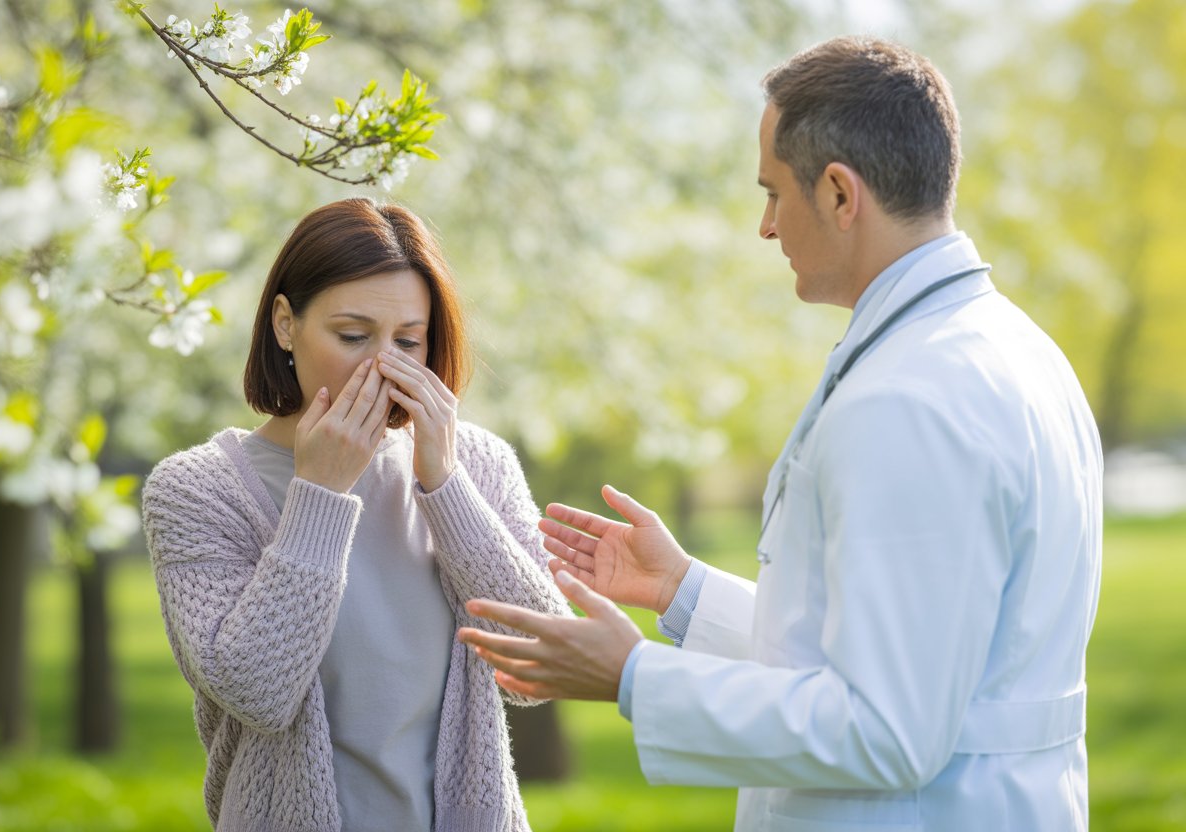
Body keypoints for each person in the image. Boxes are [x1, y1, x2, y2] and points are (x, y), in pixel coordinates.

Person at [458, 36, 1102, 831]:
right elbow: (902, 648)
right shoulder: (1013, 350)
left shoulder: (908, 399)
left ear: (839, 193)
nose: (765, 227)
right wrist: (683, 594)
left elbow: (885, 732)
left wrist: (634, 677)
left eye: (772, 193)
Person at [141, 197, 570, 832]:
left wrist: (445, 485)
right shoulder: (196, 490)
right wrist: (320, 494)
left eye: (407, 341)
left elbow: (542, 668)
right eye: (351, 336)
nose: (381, 365)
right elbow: (257, 691)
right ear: (285, 324)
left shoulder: (476, 463)